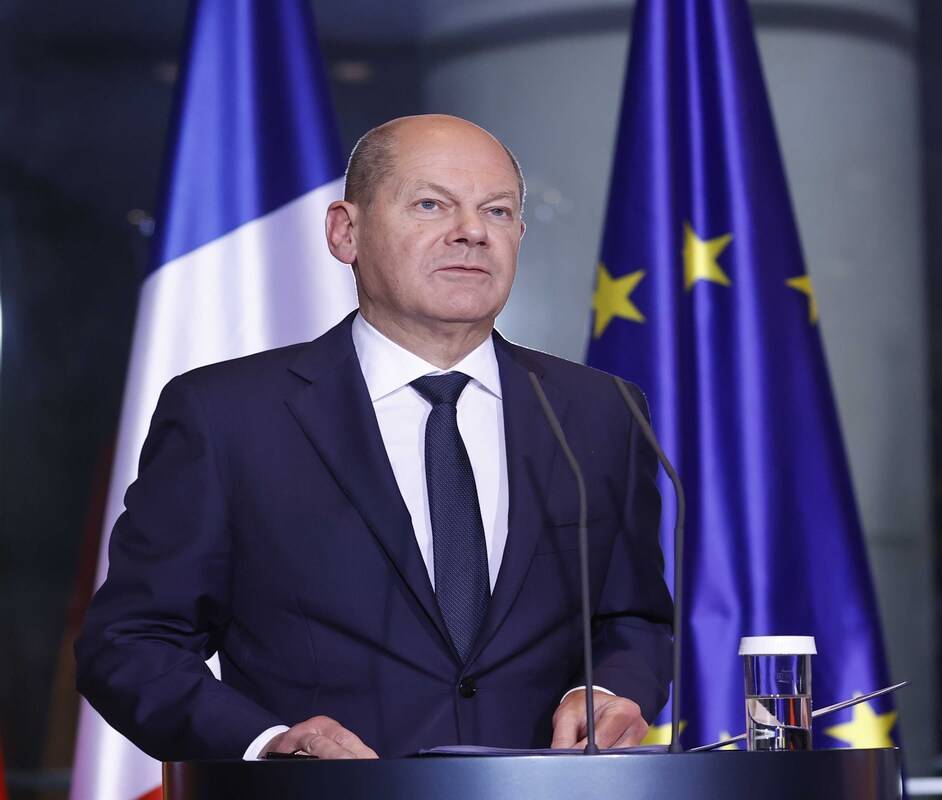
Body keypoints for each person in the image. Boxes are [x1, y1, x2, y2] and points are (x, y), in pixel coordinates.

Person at [75, 114, 673, 761]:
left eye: (497, 212)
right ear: (345, 232)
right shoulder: (227, 416)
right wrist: (268, 743)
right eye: (430, 204)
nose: (471, 232)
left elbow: (634, 620)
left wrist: (605, 689)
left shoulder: (599, 412)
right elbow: (131, 644)